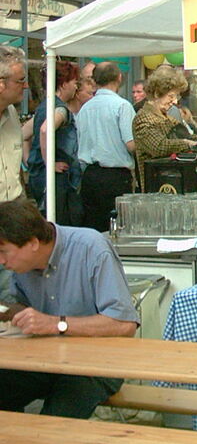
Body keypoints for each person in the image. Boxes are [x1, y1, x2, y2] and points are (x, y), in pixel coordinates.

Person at [0, 199, 138, 418]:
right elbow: (23, 308)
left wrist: (56, 324)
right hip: (43, 359)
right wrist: (8, 311)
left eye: (4, 252)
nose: (1, 261)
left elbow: (124, 325)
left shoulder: (91, 247)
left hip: (97, 363)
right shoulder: (21, 264)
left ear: (33, 243)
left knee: (56, 420)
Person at [76, 61, 136, 233]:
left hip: (90, 176)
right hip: (116, 176)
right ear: (119, 78)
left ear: (94, 80)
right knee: (119, 229)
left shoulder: (85, 108)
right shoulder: (122, 106)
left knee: (93, 229)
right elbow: (131, 144)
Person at [26, 61, 82, 226]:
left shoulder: (42, 108)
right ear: (64, 84)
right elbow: (45, 130)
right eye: (74, 83)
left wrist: (31, 162)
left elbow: (23, 135)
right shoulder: (61, 110)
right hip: (56, 181)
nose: (76, 87)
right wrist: (49, 163)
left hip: (38, 177)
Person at [132, 67, 197, 177]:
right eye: (171, 96)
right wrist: (186, 144)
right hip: (157, 183)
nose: (175, 101)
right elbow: (158, 147)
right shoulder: (143, 118)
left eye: (177, 96)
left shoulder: (167, 118)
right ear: (157, 93)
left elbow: (185, 136)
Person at [0, 46, 26, 302]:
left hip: (12, 222)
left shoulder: (11, 113)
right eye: (20, 80)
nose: (26, 86)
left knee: (11, 300)